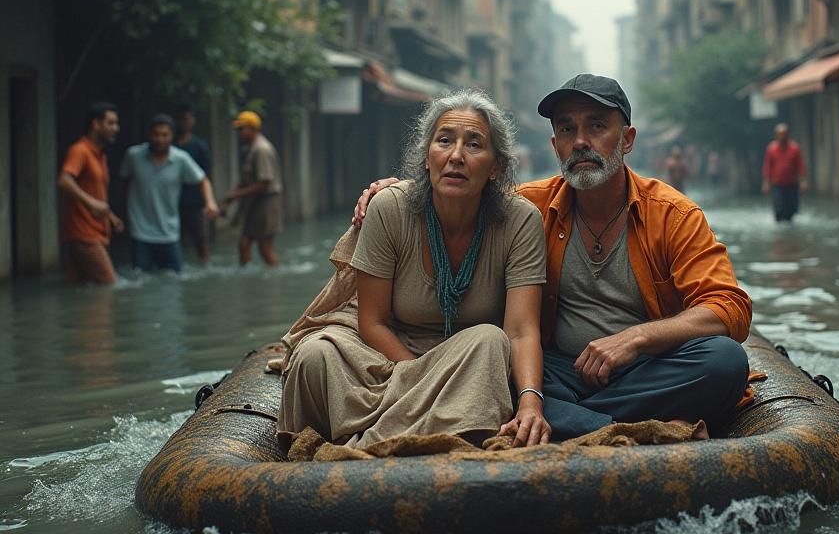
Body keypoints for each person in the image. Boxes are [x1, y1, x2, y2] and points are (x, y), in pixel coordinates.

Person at [356, 74, 753, 442]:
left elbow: (729, 308)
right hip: (556, 370)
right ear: (555, 145)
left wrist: (635, 338)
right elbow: (460, 188)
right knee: (501, 368)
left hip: (644, 368)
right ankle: (622, 427)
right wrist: (396, 191)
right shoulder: (527, 208)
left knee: (725, 361)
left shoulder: (672, 214)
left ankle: (579, 422)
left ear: (627, 139)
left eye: (597, 126)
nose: (581, 141)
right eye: (567, 129)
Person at [277, 89, 550, 452]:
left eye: (474, 145)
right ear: (426, 157)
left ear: (496, 166)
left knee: (489, 340)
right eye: (444, 141)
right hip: (389, 358)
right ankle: (414, 430)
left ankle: (370, 439)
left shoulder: (520, 220)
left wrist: (532, 402)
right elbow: (372, 322)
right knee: (315, 355)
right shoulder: (390, 207)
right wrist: (421, 378)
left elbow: (519, 330)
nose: (456, 156)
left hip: (463, 362)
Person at [120, 114, 219, 273]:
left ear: (172, 136)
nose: (160, 139)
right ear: (149, 135)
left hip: (169, 232)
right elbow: (123, 182)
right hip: (140, 232)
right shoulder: (133, 156)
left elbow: (203, 181)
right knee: (141, 278)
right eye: (156, 134)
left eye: (165, 135)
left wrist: (210, 202)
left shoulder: (180, 159)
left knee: (174, 281)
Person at [57, 102, 125, 284]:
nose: (116, 129)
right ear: (95, 125)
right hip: (83, 233)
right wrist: (91, 204)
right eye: (111, 123)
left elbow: (94, 192)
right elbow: (64, 180)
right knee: (110, 285)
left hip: (96, 231)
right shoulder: (80, 150)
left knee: (81, 288)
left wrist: (110, 216)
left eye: (116, 124)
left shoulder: (100, 155)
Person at [221, 111, 283, 267]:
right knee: (244, 243)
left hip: (266, 203)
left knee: (264, 246)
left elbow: (265, 182)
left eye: (242, 129)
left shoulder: (261, 149)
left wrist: (235, 195)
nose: (239, 133)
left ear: (252, 128)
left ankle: (274, 277)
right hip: (256, 203)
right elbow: (245, 181)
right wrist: (231, 197)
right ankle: (248, 275)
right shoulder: (250, 149)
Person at [174, 104, 213, 264]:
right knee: (176, 238)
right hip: (174, 201)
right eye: (181, 119)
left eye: (187, 119)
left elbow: (206, 175)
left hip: (196, 201)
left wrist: (208, 201)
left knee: (201, 239)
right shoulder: (170, 147)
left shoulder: (199, 146)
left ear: (193, 121)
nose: (184, 122)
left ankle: (204, 264)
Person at [762, 123, 808, 222]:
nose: (782, 136)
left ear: (788, 135)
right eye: (780, 134)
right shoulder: (771, 149)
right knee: (779, 210)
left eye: (784, 134)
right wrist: (766, 183)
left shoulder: (795, 148)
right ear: (776, 135)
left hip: (792, 185)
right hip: (777, 185)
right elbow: (768, 166)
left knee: (791, 211)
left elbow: (800, 166)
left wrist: (803, 181)